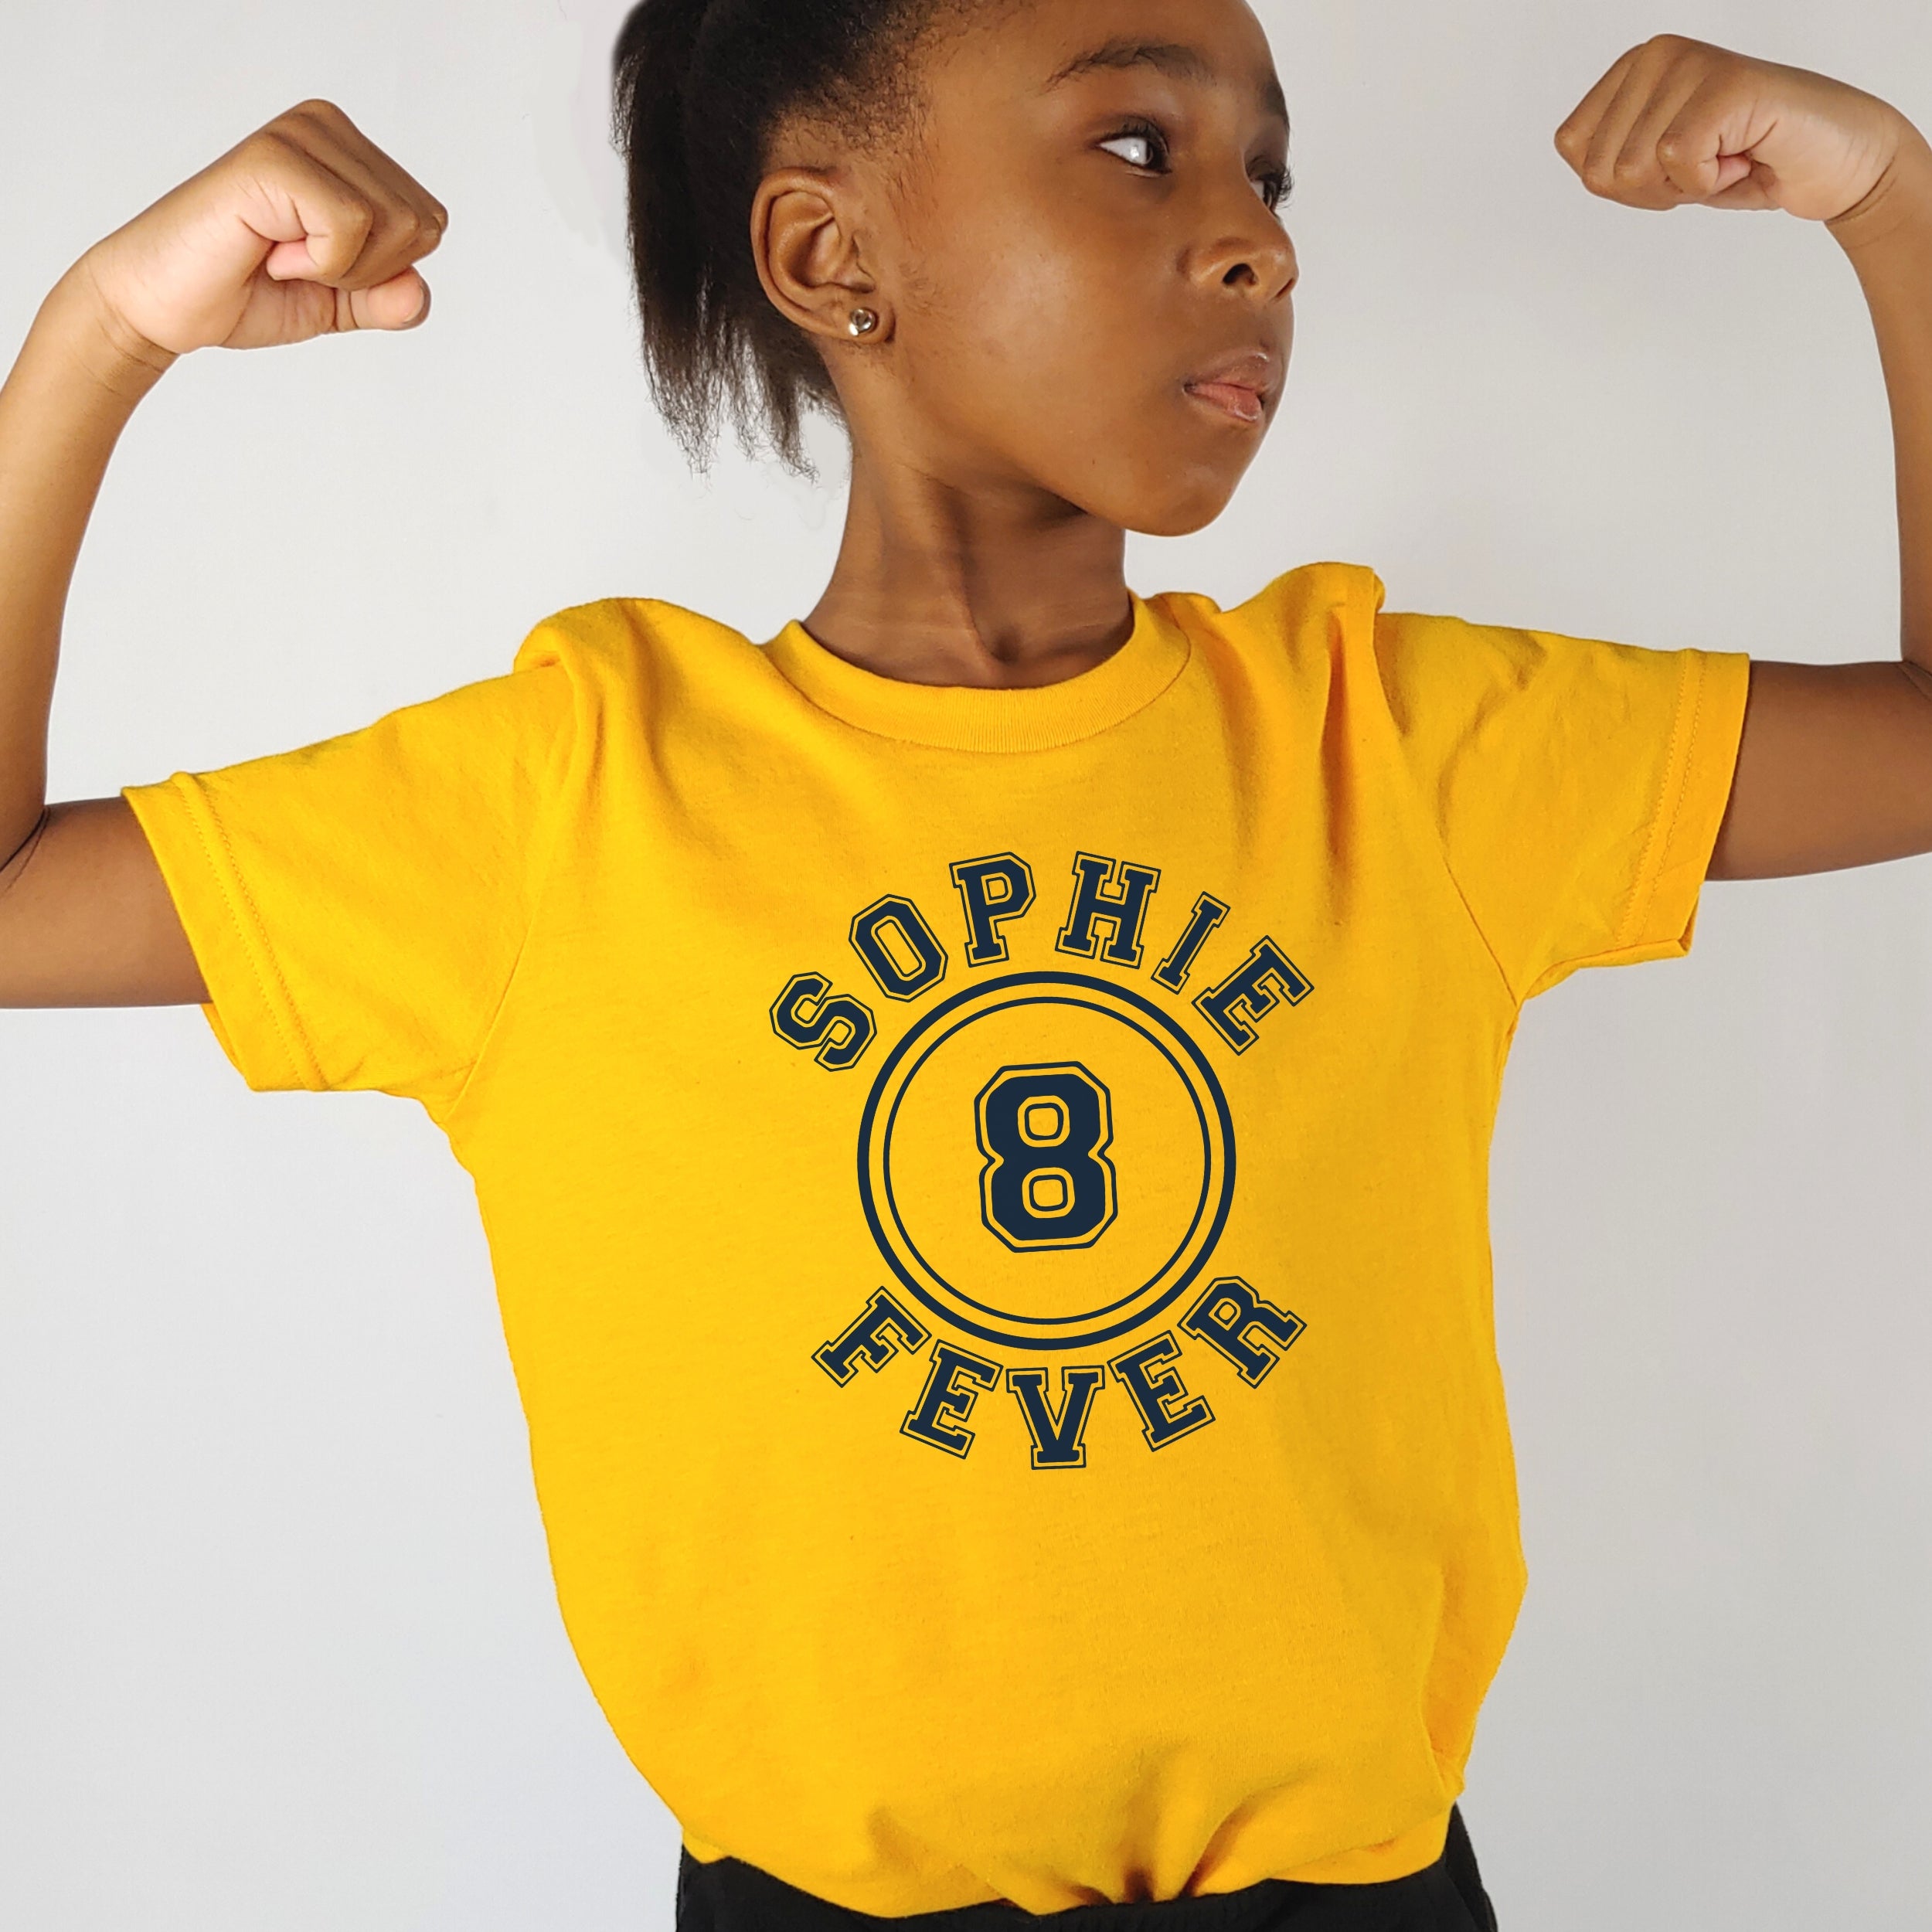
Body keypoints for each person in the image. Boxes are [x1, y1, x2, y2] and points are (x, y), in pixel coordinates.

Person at [2, 2, 1929, 1924]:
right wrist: (100, 328)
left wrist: (1890, 199)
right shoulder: (573, 790)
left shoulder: (1390, 737)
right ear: (828, 257)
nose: (1257, 235)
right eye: (1133, 147)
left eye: (1264, 172)